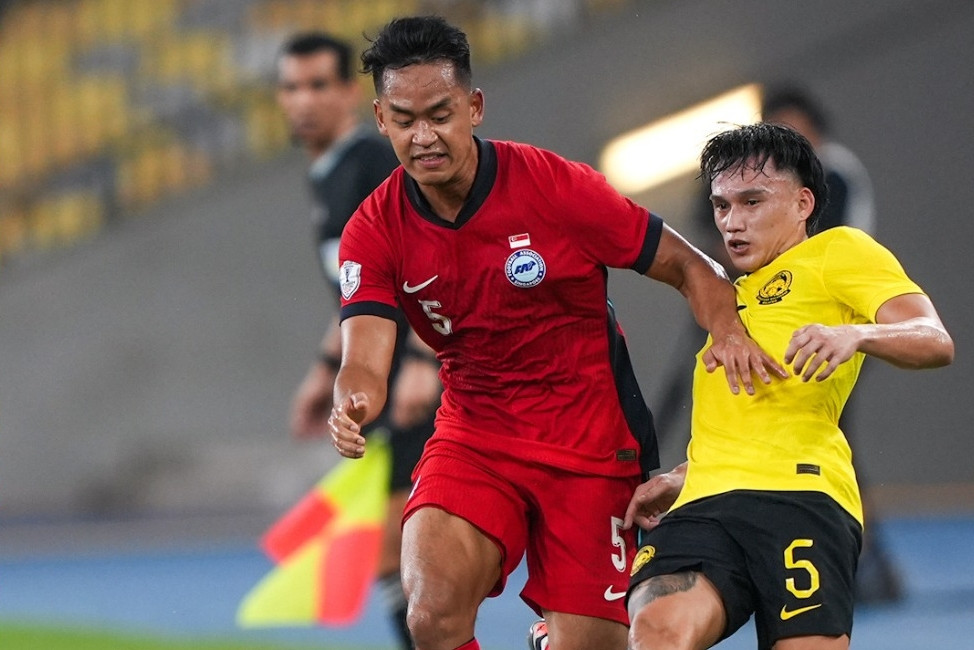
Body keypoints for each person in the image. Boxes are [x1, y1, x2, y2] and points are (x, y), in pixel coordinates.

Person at [326, 16, 786, 650]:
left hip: (593, 445)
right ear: (381, 119)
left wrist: (730, 331)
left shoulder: (554, 188)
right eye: (405, 120)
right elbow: (365, 356)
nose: (423, 136)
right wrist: (353, 401)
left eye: (440, 114)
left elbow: (687, 264)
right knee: (429, 613)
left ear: (475, 107)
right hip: (476, 434)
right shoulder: (374, 228)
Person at [626, 122, 954, 650]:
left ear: (803, 203)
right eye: (723, 205)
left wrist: (857, 333)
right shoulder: (724, 298)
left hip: (802, 499)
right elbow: (751, 417)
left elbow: (935, 339)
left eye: (752, 201)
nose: (733, 222)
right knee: (656, 632)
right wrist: (689, 473)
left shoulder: (839, 252)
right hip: (706, 506)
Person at [276, 31, 441, 650]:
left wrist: (425, 359)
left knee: (404, 554)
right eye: (291, 87)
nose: (304, 101)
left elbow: (425, 257)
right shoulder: (326, 177)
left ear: (350, 92)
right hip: (375, 384)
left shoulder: (372, 164)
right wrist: (325, 370)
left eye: (319, 85)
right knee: (393, 560)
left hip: (410, 384)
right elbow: (361, 289)